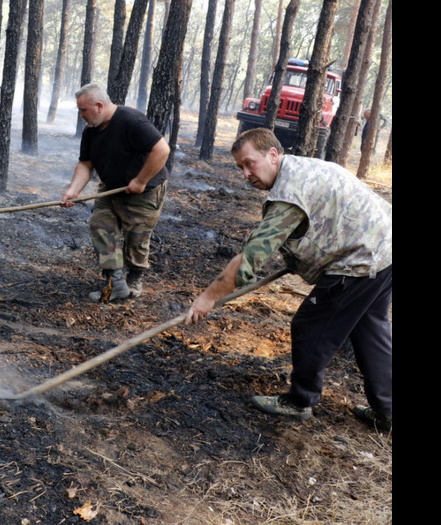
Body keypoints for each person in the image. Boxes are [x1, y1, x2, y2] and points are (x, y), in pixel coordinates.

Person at [184, 128, 392, 431]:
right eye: (240, 167)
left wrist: (208, 297)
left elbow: (251, 257)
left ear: (272, 155)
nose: (245, 174)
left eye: (249, 163)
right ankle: (387, 410)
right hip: (384, 248)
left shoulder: (288, 193)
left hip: (361, 260)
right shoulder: (299, 169)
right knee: (369, 329)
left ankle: (300, 401)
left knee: (311, 326)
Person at [61, 83, 171, 302]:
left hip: (145, 191)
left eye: (83, 110)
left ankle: (134, 279)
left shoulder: (131, 120)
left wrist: (141, 180)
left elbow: (162, 150)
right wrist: (73, 190)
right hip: (111, 189)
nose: (81, 115)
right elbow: (85, 163)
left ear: (99, 106)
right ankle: (117, 282)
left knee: (136, 239)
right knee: (101, 227)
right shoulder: (91, 130)